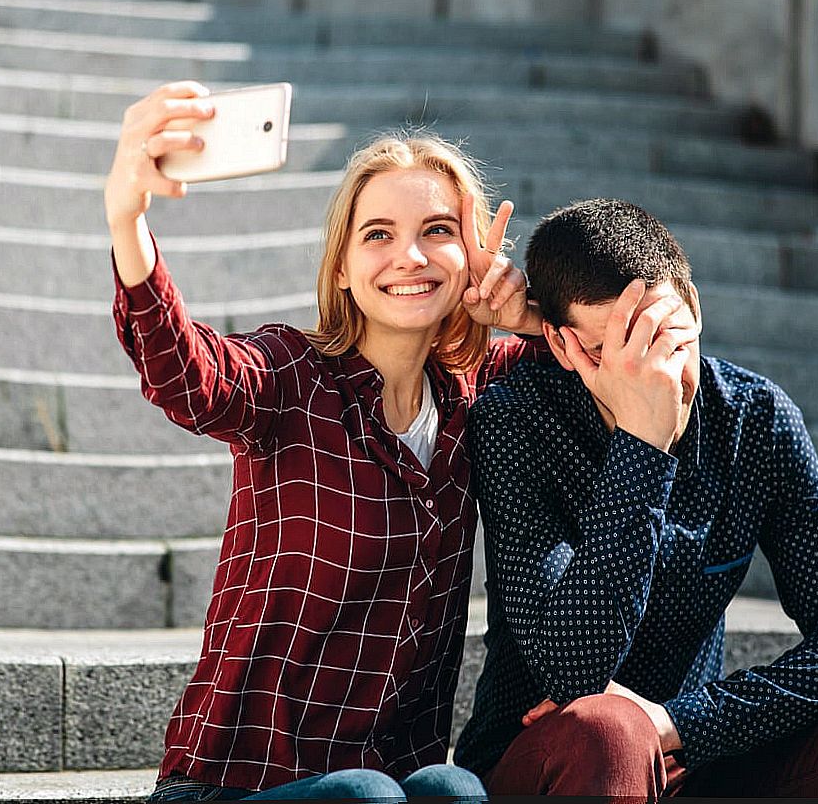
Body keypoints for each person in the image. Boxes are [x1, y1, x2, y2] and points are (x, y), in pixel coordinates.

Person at [104, 81, 549, 800]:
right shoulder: (289, 373)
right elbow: (189, 375)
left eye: (437, 231)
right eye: (378, 234)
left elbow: (608, 358)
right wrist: (128, 221)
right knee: (364, 797)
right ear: (342, 267)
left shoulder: (480, 395)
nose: (409, 255)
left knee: (455, 790)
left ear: (471, 255)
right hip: (237, 783)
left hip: (399, 780)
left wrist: (527, 316)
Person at [454, 198, 818, 798]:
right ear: (562, 345)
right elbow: (573, 670)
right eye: (612, 354)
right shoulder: (516, 420)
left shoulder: (755, 420)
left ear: (695, 308)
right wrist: (642, 443)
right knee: (610, 731)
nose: (654, 377)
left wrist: (681, 723)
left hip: (698, 751)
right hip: (553, 759)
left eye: (667, 341)